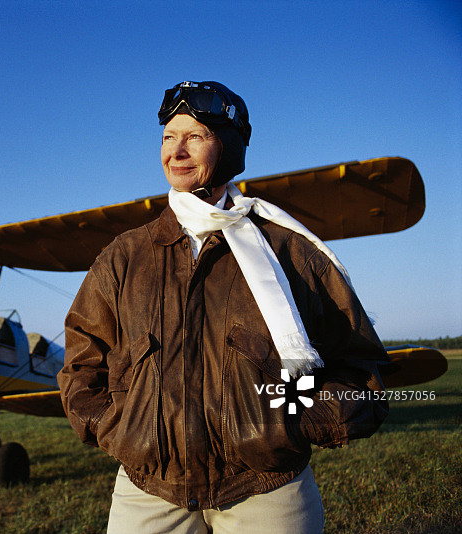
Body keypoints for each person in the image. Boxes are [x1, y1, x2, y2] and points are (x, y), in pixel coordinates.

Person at [57, 81, 389, 533]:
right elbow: (81, 362)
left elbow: (360, 367)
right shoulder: (124, 256)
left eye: (195, 136)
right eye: (168, 137)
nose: (176, 151)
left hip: (267, 486)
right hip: (149, 489)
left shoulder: (290, 252)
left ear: (229, 147)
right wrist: (117, 428)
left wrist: (291, 429)